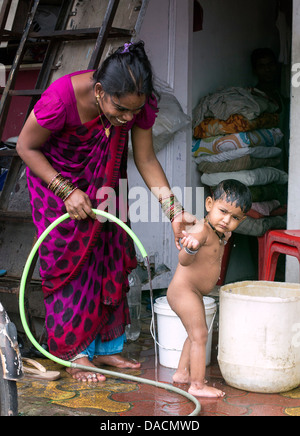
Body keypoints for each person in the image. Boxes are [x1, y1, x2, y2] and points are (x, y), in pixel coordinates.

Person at [17, 41, 194, 383]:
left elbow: (144, 158)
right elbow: (26, 146)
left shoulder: (135, 105)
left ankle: (107, 347)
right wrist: (66, 190)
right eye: (121, 109)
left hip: (104, 183)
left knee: (108, 254)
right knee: (69, 264)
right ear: (99, 91)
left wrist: (175, 212)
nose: (128, 118)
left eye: (135, 110)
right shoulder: (60, 99)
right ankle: (76, 353)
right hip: (55, 185)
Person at [167, 179, 252, 398]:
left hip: (194, 292)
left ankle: (181, 373)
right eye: (223, 211)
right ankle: (197, 385)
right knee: (200, 335)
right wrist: (191, 249)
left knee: (194, 333)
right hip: (184, 291)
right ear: (208, 204)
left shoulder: (221, 233)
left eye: (235, 218)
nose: (226, 220)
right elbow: (184, 261)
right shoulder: (200, 229)